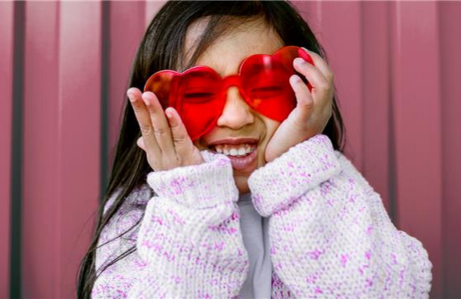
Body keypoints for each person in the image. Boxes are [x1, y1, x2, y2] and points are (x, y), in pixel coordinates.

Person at [77, 1, 433, 298]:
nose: (235, 117)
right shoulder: (135, 217)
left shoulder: (329, 188)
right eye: (199, 93)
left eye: (264, 84)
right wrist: (192, 199)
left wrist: (295, 169)